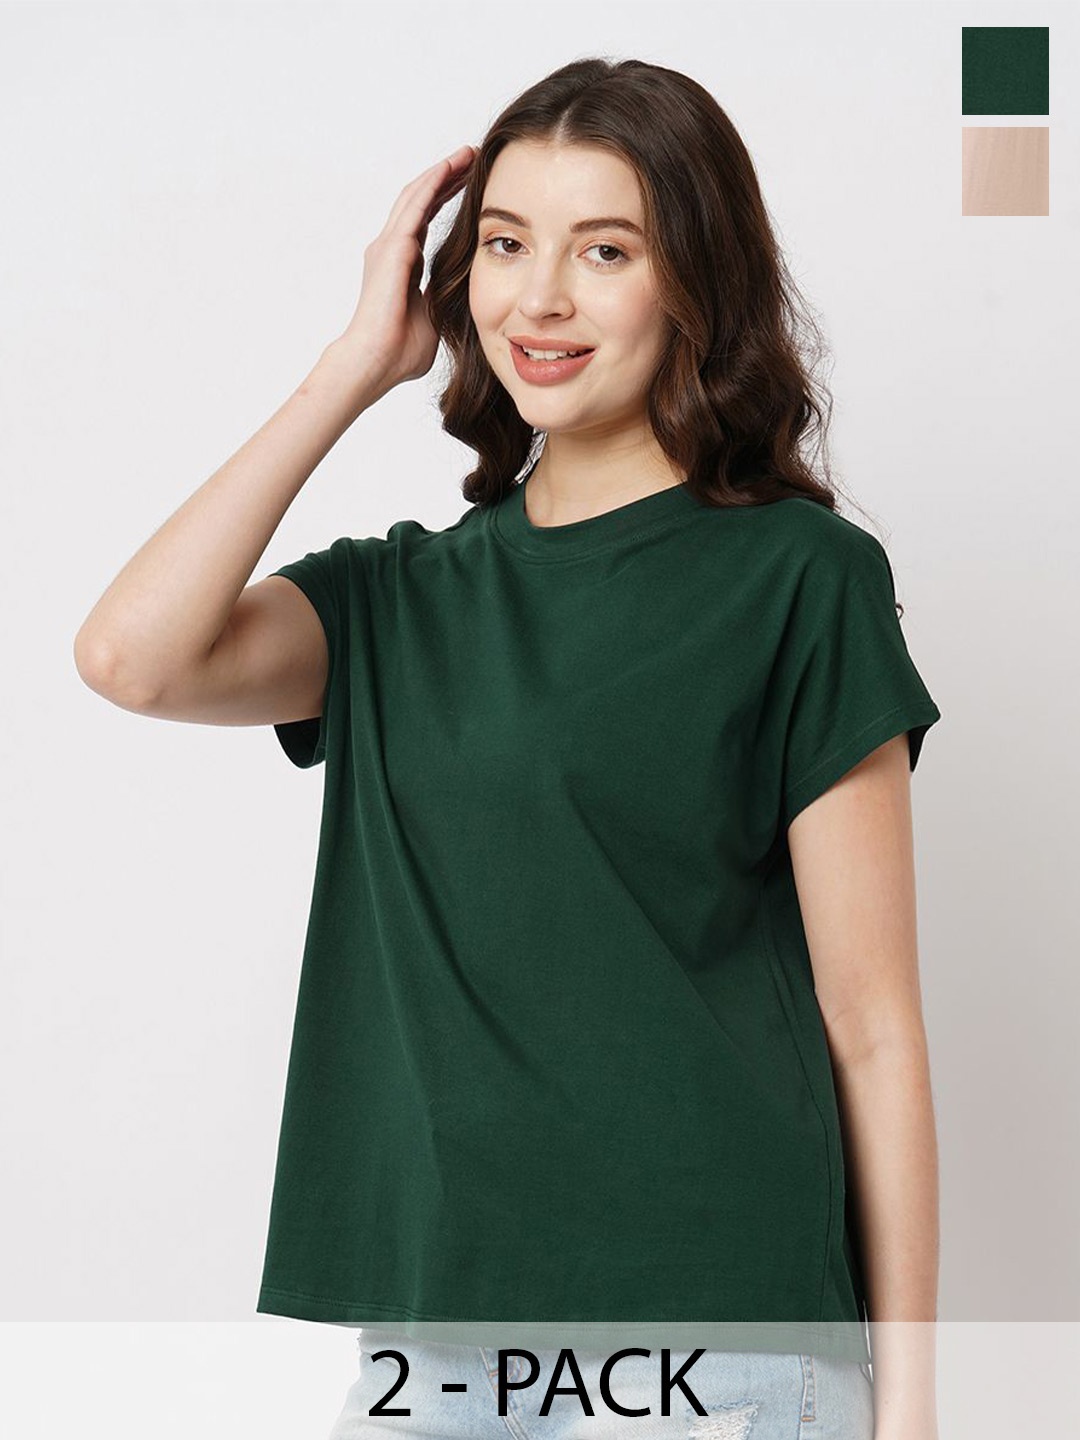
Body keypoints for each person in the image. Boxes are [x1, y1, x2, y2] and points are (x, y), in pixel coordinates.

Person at [74, 57, 941, 1440]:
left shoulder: (797, 577)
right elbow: (132, 657)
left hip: (716, 1340)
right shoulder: (396, 599)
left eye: (606, 251)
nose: (540, 298)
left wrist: (912, 1406)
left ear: (695, 282)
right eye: (504, 244)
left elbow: (874, 1027)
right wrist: (353, 368)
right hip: (436, 1349)